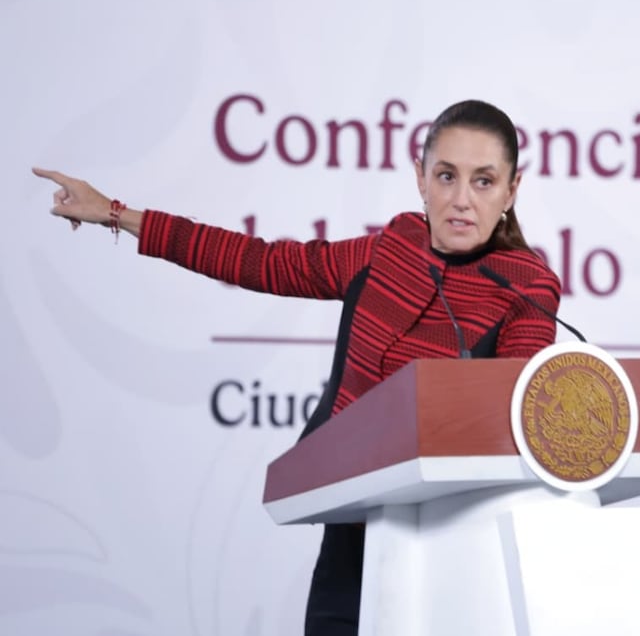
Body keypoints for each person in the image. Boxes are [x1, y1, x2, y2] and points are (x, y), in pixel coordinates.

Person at [34, 99, 561, 635]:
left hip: (456, 556)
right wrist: (116, 213)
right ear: (420, 179)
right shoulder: (389, 251)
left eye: (484, 181)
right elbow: (258, 260)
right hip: (352, 539)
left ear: (511, 191)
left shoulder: (526, 287)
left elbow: (512, 434)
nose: (462, 199)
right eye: (446, 176)